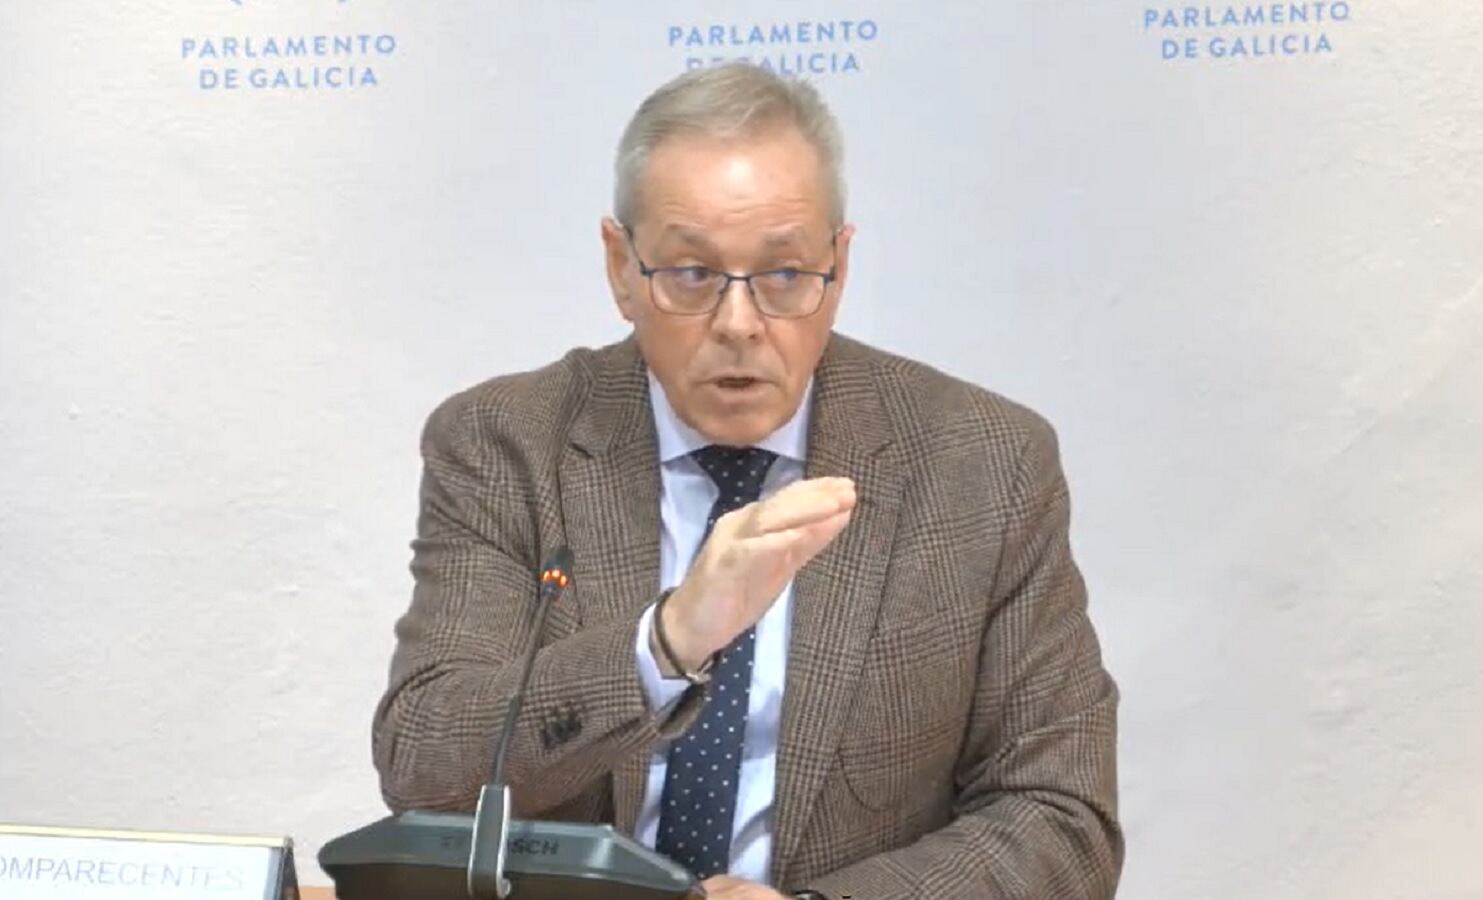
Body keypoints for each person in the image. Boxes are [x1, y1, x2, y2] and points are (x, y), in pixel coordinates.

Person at [372, 63, 1122, 900]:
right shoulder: (508, 444)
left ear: (837, 267)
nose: (739, 324)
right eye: (691, 274)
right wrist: (667, 642)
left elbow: (1060, 817)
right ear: (621, 268)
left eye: (784, 275)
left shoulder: (981, 463)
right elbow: (424, 766)